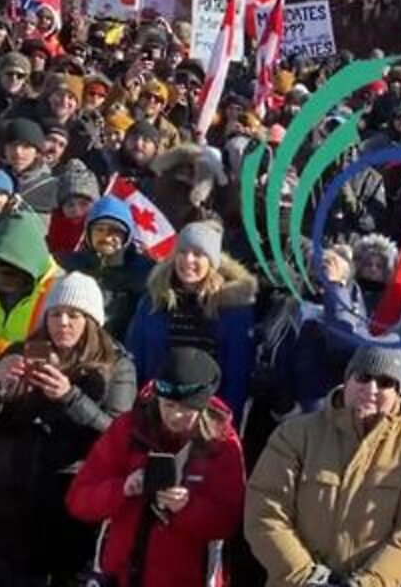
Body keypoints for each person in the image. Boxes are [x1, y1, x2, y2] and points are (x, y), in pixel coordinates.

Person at [0, 273, 135, 585]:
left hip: (62, 515)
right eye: (56, 314)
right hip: (1, 510)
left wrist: (69, 398)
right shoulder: (23, 349)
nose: (64, 323)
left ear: (92, 320)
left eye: (74, 315)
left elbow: (117, 436)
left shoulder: (117, 366)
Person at [245, 347, 401, 586]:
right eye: (363, 377)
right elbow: (265, 510)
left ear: (400, 394)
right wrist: (306, 576)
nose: (371, 389)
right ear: (346, 380)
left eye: (385, 382)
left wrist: (368, 582)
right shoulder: (295, 434)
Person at [66, 348, 245, 587]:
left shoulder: (221, 443)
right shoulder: (129, 429)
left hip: (186, 576)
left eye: (186, 408)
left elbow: (230, 520)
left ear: (202, 407)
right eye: (168, 405)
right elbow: (78, 499)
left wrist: (187, 507)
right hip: (123, 574)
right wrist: (123, 489)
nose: (176, 415)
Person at [126, 221, 258, 421]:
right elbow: (135, 360)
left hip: (206, 415)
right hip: (155, 410)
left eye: (198, 254)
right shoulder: (153, 300)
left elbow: (237, 378)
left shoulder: (233, 309)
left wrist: (225, 422)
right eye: (183, 251)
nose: (188, 260)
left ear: (211, 261)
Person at [0, 209, 62, 391]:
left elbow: (62, 354)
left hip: (28, 395)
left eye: (10, 272)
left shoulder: (61, 292)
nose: (0, 279)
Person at [57, 195, 155, 342]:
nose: (107, 237)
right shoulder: (67, 265)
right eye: (100, 229)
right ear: (89, 233)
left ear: (127, 235)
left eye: (115, 231)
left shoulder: (144, 272)